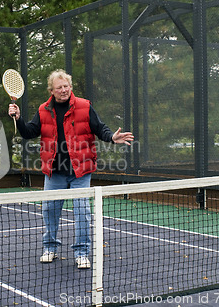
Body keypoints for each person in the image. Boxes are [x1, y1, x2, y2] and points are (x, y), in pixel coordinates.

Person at [8, 69, 134, 269]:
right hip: (55, 172)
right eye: (59, 87)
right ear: (52, 90)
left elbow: (100, 128)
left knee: (82, 211)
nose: (64, 90)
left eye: (66, 86)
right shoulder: (43, 110)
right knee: (49, 210)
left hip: (80, 171)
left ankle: (82, 253)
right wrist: (18, 118)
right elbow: (29, 132)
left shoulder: (84, 106)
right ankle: (50, 248)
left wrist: (112, 137)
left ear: (70, 87)